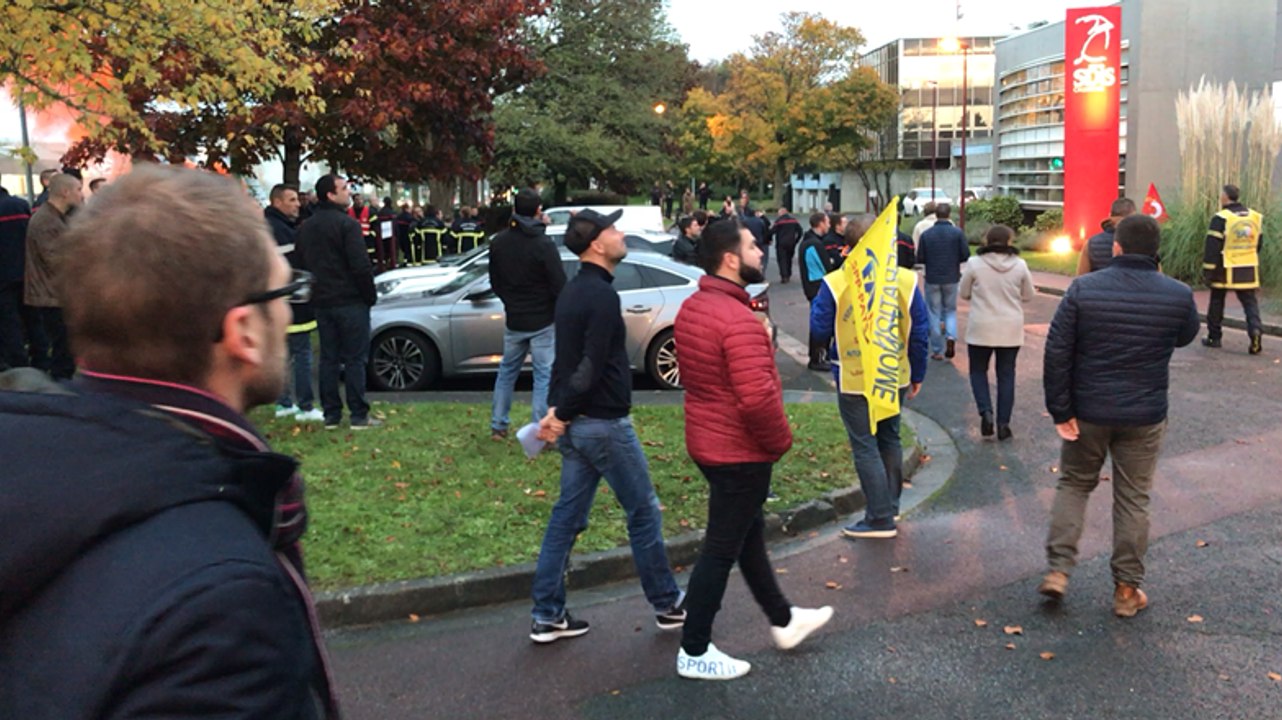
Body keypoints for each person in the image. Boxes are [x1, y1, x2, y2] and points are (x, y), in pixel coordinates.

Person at [0, 163, 337, 718]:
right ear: (244, 333)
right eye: (285, 287)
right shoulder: (222, 604)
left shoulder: (36, 472)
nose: (288, 307)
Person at [674, 218, 833, 680]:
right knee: (722, 548)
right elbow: (757, 398)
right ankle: (694, 648)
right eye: (751, 246)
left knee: (745, 537)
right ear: (730, 258)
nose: (761, 252)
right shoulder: (736, 320)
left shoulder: (695, 307)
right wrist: (780, 442)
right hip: (738, 452)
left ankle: (783, 619)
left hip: (709, 441)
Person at [529, 209, 683, 644]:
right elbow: (589, 365)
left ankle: (547, 614)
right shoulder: (598, 297)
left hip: (577, 424)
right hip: (603, 424)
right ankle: (668, 604)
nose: (621, 234)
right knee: (643, 512)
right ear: (596, 243)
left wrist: (558, 411)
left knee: (567, 518)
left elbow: (566, 361)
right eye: (613, 229)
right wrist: (559, 413)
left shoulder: (574, 291)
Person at [1040, 214, 1200, 617]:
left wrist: (1061, 408)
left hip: (1088, 410)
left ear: (1116, 247)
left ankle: (1059, 570)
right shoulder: (1178, 295)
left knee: (1075, 485)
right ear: (1156, 251)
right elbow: (1185, 336)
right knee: (1133, 499)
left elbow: (1058, 351)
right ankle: (1127, 590)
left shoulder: (1083, 290)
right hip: (1145, 413)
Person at [810, 214, 929, 539]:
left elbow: (819, 329)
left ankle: (878, 518)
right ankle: (889, 506)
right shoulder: (904, 280)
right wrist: (917, 372)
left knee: (864, 445)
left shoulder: (837, 281)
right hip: (895, 373)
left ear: (847, 245)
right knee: (889, 437)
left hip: (853, 376)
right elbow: (920, 332)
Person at [297, 174, 379, 430]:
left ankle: (331, 413)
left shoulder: (306, 227)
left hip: (322, 300)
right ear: (330, 195)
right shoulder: (347, 225)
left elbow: (301, 263)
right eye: (343, 188)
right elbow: (360, 265)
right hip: (350, 299)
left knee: (329, 358)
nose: (348, 192)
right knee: (355, 358)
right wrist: (369, 295)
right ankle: (357, 413)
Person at [487, 188, 565, 441]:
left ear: (514, 210)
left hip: (515, 317)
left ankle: (499, 425)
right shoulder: (543, 244)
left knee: (507, 371)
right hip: (542, 318)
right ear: (538, 210)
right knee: (543, 375)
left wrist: (510, 301)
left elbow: (495, 281)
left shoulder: (499, 242)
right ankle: (539, 430)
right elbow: (559, 282)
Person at [959, 224, 1035, 440]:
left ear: (987, 241)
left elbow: (963, 292)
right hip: (1010, 327)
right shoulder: (1020, 265)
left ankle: (986, 411)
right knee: (1006, 375)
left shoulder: (975, 264)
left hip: (981, 325)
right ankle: (1004, 423)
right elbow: (1028, 295)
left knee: (977, 371)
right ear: (1009, 241)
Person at [265, 184, 323, 422]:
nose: (298, 204)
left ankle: (284, 403)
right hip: (294, 303)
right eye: (291, 200)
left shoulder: (273, 226)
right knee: (302, 353)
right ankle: (306, 406)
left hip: (281, 302)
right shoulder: (281, 230)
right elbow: (295, 265)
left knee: (284, 354)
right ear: (277, 202)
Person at [22, 173, 83, 380]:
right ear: (65, 192)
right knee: (63, 351)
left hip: (56, 294)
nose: (81, 195)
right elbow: (57, 261)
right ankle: (60, 391)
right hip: (52, 297)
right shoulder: (46, 222)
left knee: (66, 349)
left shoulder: (56, 218)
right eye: (78, 190)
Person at [1201, 184, 1264, 354]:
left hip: (1225, 267)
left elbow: (1212, 247)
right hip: (1248, 266)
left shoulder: (1221, 218)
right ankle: (1255, 332)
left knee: (1217, 301)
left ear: (1225, 197)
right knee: (1250, 303)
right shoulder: (1255, 217)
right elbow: (1259, 243)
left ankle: (1214, 337)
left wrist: (1208, 270)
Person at [917, 203, 969, 360]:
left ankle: (937, 350)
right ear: (949, 215)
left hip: (932, 277)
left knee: (933, 312)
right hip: (951, 277)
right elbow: (965, 254)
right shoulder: (957, 233)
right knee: (950, 310)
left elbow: (921, 258)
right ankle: (951, 337)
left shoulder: (927, 235)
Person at [0, 186, 32, 371]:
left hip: (3, 276)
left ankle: (17, 362)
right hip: (26, 271)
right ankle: (40, 359)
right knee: (32, 318)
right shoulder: (20, 205)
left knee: (8, 322)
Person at [798, 212, 834, 371]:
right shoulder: (814, 244)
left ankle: (819, 356)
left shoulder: (808, 242)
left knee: (819, 322)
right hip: (817, 288)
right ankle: (817, 358)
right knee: (820, 324)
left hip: (813, 287)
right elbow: (827, 266)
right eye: (827, 222)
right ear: (820, 223)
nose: (829, 225)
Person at [1075, 198, 1136, 276]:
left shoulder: (1091, 243)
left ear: (1110, 215)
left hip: (1097, 287)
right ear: (1133, 216)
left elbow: (1080, 278)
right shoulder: (1143, 243)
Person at [772, 207, 803, 284]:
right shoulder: (793, 220)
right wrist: (796, 240)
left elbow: (772, 231)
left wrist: (767, 239)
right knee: (789, 259)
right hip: (791, 243)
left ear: (781, 213)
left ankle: (784, 276)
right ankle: (788, 274)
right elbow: (800, 231)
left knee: (782, 259)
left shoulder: (779, 221)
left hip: (781, 243)